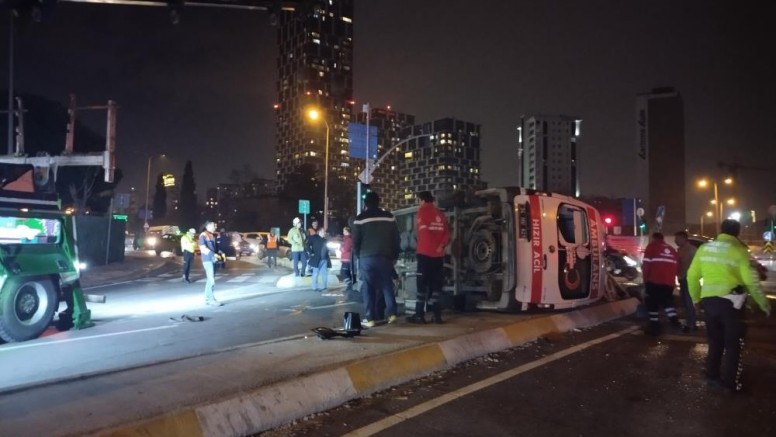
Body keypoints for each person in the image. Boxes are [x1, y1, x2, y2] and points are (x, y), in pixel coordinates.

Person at [687, 219, 771, 394]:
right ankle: (731, 384)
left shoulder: (704, 248)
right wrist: (763, 304)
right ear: (738, 232)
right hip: (732, 304)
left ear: (721, 230)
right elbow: (751, 281)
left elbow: (691, 276)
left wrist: (696, 299)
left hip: (709, 302)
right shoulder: (739, 251)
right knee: (734, 345)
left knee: (715, 342)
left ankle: (712, 376)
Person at [353, 191, 401, 327]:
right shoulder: (389, 217)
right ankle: (392, 314)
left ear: (365, 204)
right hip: (385, 256)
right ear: (378, 202)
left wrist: (358, 256)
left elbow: (356, 241)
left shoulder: (360, 219)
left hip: (366, 257)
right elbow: (396, 238)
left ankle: (370, 318)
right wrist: (394, 256)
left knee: (368, 287)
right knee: (387, 285)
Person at [407, 191, 450, 324]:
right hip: (438, 255)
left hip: (425, 253)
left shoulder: (422, 213)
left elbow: (423, 233)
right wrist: (440, 246)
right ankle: (436, 315)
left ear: (423, 200)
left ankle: (419, 315)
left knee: (422, 286)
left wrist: (428, 246)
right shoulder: (440, 214)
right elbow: (447, 234)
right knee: (436, 286)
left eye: (419, 200)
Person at [641, 232, 679, 335]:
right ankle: (674, 320)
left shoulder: (652, 247)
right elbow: (676, 267)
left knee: (652, 303)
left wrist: (645, 281)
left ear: (654, 238)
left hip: (654, 281)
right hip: (669, 282)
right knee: (666, 302)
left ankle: (654, 326)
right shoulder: (671, 249)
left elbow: (646, 266)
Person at [674, 230, 698, 332]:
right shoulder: (680, 250)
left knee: (689, 303)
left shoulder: (692, 250)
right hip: (682, 279)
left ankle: (691, 324)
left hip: (689, 279)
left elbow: (697, 265)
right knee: (685, 302)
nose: (675, 241)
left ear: (684, 239)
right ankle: (690, 323)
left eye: (677, 239)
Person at [199, 221, 223, 306]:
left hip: (213, 259)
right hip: (208, 259)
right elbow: (203, 248)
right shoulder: (203, 235)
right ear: (208, 226)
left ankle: (207, 298)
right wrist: (214, 254)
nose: (215, 227)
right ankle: (211, 299)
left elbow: (215, 248)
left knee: (210, 279)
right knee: (211, 280)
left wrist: (220, 253)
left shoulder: (212, 235)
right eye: (214, 225)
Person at [307, 227, 331, 292]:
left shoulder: (325, 240)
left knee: (324, 273)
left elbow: (327, 248)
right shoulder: (314, 237)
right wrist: (311, 253)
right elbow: (307, 245)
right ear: (320, 232)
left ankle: (324, 287)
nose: (324, 233)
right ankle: (314, 287)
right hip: (317, 259)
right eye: (323, 232)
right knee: (315, 273)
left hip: (324, 259)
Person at [339, 226, 355, 296]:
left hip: (347, 259)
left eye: (344, 231)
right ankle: (350, 286)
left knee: (343, 272)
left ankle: (350, 284)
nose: (343, 232)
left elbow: (345, 249)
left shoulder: (348, 239)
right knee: (347, 273)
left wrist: (341, 248)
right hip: (345, 259)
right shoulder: (346, 239)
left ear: (347, 232)